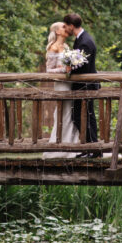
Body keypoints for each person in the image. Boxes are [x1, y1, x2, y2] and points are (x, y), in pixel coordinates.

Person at [63, 12, 100, 157]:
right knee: (82, 117)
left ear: (72, 26)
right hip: (82, 86)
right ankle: (89, 148)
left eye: (66, 26)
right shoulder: (81, 39)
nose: (65, 29)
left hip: (86, 85)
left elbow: (83, 66)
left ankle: (93, 150)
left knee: (85, 117)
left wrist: (69, 68)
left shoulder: (85, 41)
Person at [43, 22, 79, 158]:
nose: (66, 28)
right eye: (63, 27)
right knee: (63, 113)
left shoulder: (67, 47)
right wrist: (64, 69)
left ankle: (72, 145)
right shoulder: (53, 47)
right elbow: (49, 70)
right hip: (61, 85)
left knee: (71, 114)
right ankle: (58, 147)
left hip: (70, 84)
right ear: (57, 31)